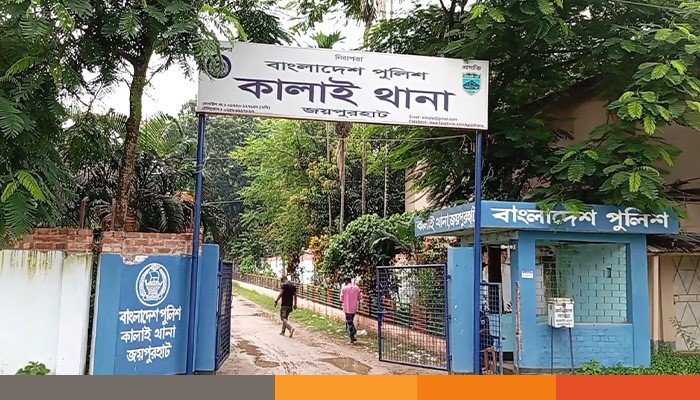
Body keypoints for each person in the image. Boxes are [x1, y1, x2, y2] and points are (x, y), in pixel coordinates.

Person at [340, 277, 362, 343]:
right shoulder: (357, 288)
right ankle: (351, 336)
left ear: (347, 281)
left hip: (347, 308)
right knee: (350, 320)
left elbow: (341, 298)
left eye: (345, 281)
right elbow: (359, 297)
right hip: (354, 308)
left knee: (349, 322)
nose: (345, 283)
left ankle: (353, 333)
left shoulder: (344, 288)